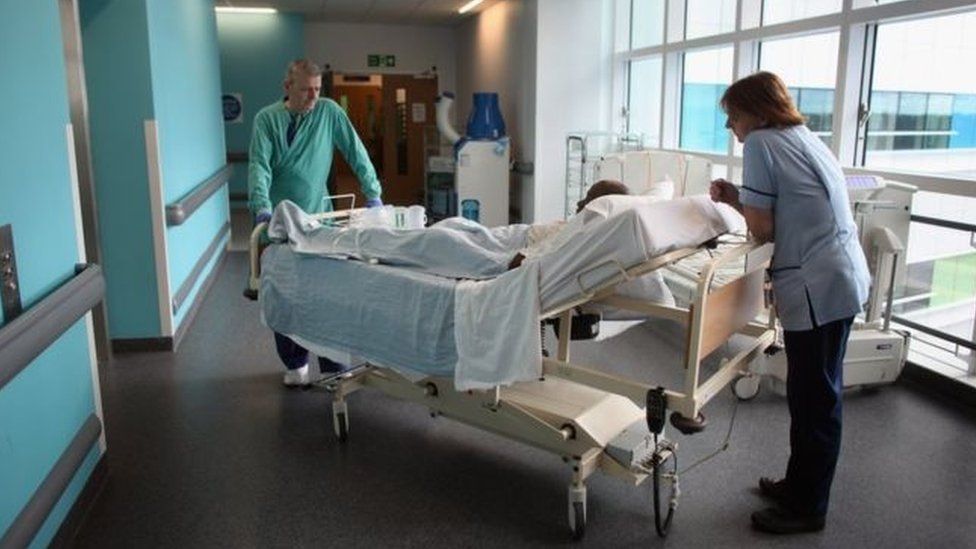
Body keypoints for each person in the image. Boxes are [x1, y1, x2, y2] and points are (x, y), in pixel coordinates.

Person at [709, 72, 870, 534]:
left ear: (757, 113)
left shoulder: (760, 144)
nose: (731, 128)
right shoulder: (802, 135)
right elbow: (788, 208)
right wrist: (742, 198)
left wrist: (742, 205)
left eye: (733, 117)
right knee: (814, 393)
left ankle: (808, 507)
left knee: (815, 399)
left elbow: (764, 228)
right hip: (841, 276)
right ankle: (800, 485)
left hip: (818, 285)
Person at [249, 59, 384, 387]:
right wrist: (262, 210)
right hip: (279, 223)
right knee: (284, 296)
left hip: (320, 220)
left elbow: (355, 151)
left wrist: (374, 194)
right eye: (306, 90)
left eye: (317, 89)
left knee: (327, 295)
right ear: (287, 87)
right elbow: (259, 166)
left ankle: (332, 364)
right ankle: (295, 364)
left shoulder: (329, 112)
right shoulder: (267, 120)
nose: (313, 96)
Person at [508, 180, 630, 269]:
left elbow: (518, 263)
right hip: (527, 234)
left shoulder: (580, 236)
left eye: (588, 199)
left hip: (522, 242)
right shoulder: (585, 229)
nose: (579, 202)